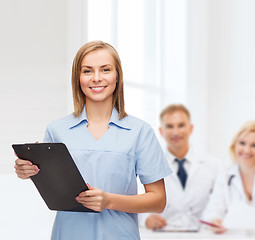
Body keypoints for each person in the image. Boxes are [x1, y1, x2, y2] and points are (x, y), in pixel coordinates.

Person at [14, 40, 172, 239]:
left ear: (117, 77)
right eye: (87, 71)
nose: (96, 78)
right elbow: (51, 185)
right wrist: (27, 171)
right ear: (77, 78)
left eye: (105, 70)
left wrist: (109, 201)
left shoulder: (140, 132)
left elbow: (158, 201)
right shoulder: (57, 130)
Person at [140, 104, 220, 231]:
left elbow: (219, 202)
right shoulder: (149, 164)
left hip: (202, 234)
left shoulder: (213, 165)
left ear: (190, 128)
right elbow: (138, 200)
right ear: (161, 131)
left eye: (181, 125)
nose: (176, 132)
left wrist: (215, 219)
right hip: (164, 234)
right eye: (170, 126)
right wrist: (146, 220)